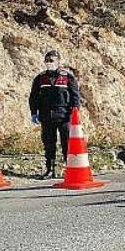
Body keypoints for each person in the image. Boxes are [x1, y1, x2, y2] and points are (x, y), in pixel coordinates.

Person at [29, 50, 81, 179]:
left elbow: (75, 96)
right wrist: (34, 112)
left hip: (64, 116)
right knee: (48, 144)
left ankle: (70, 169)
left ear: (58, 62)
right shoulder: (40, 78)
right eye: (47, 60)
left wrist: (75, 111)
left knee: (67, 144)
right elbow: (33, 96)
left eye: (51, 60)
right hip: (46, 115)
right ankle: (49, 169)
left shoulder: (67, 77)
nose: (49, 63)